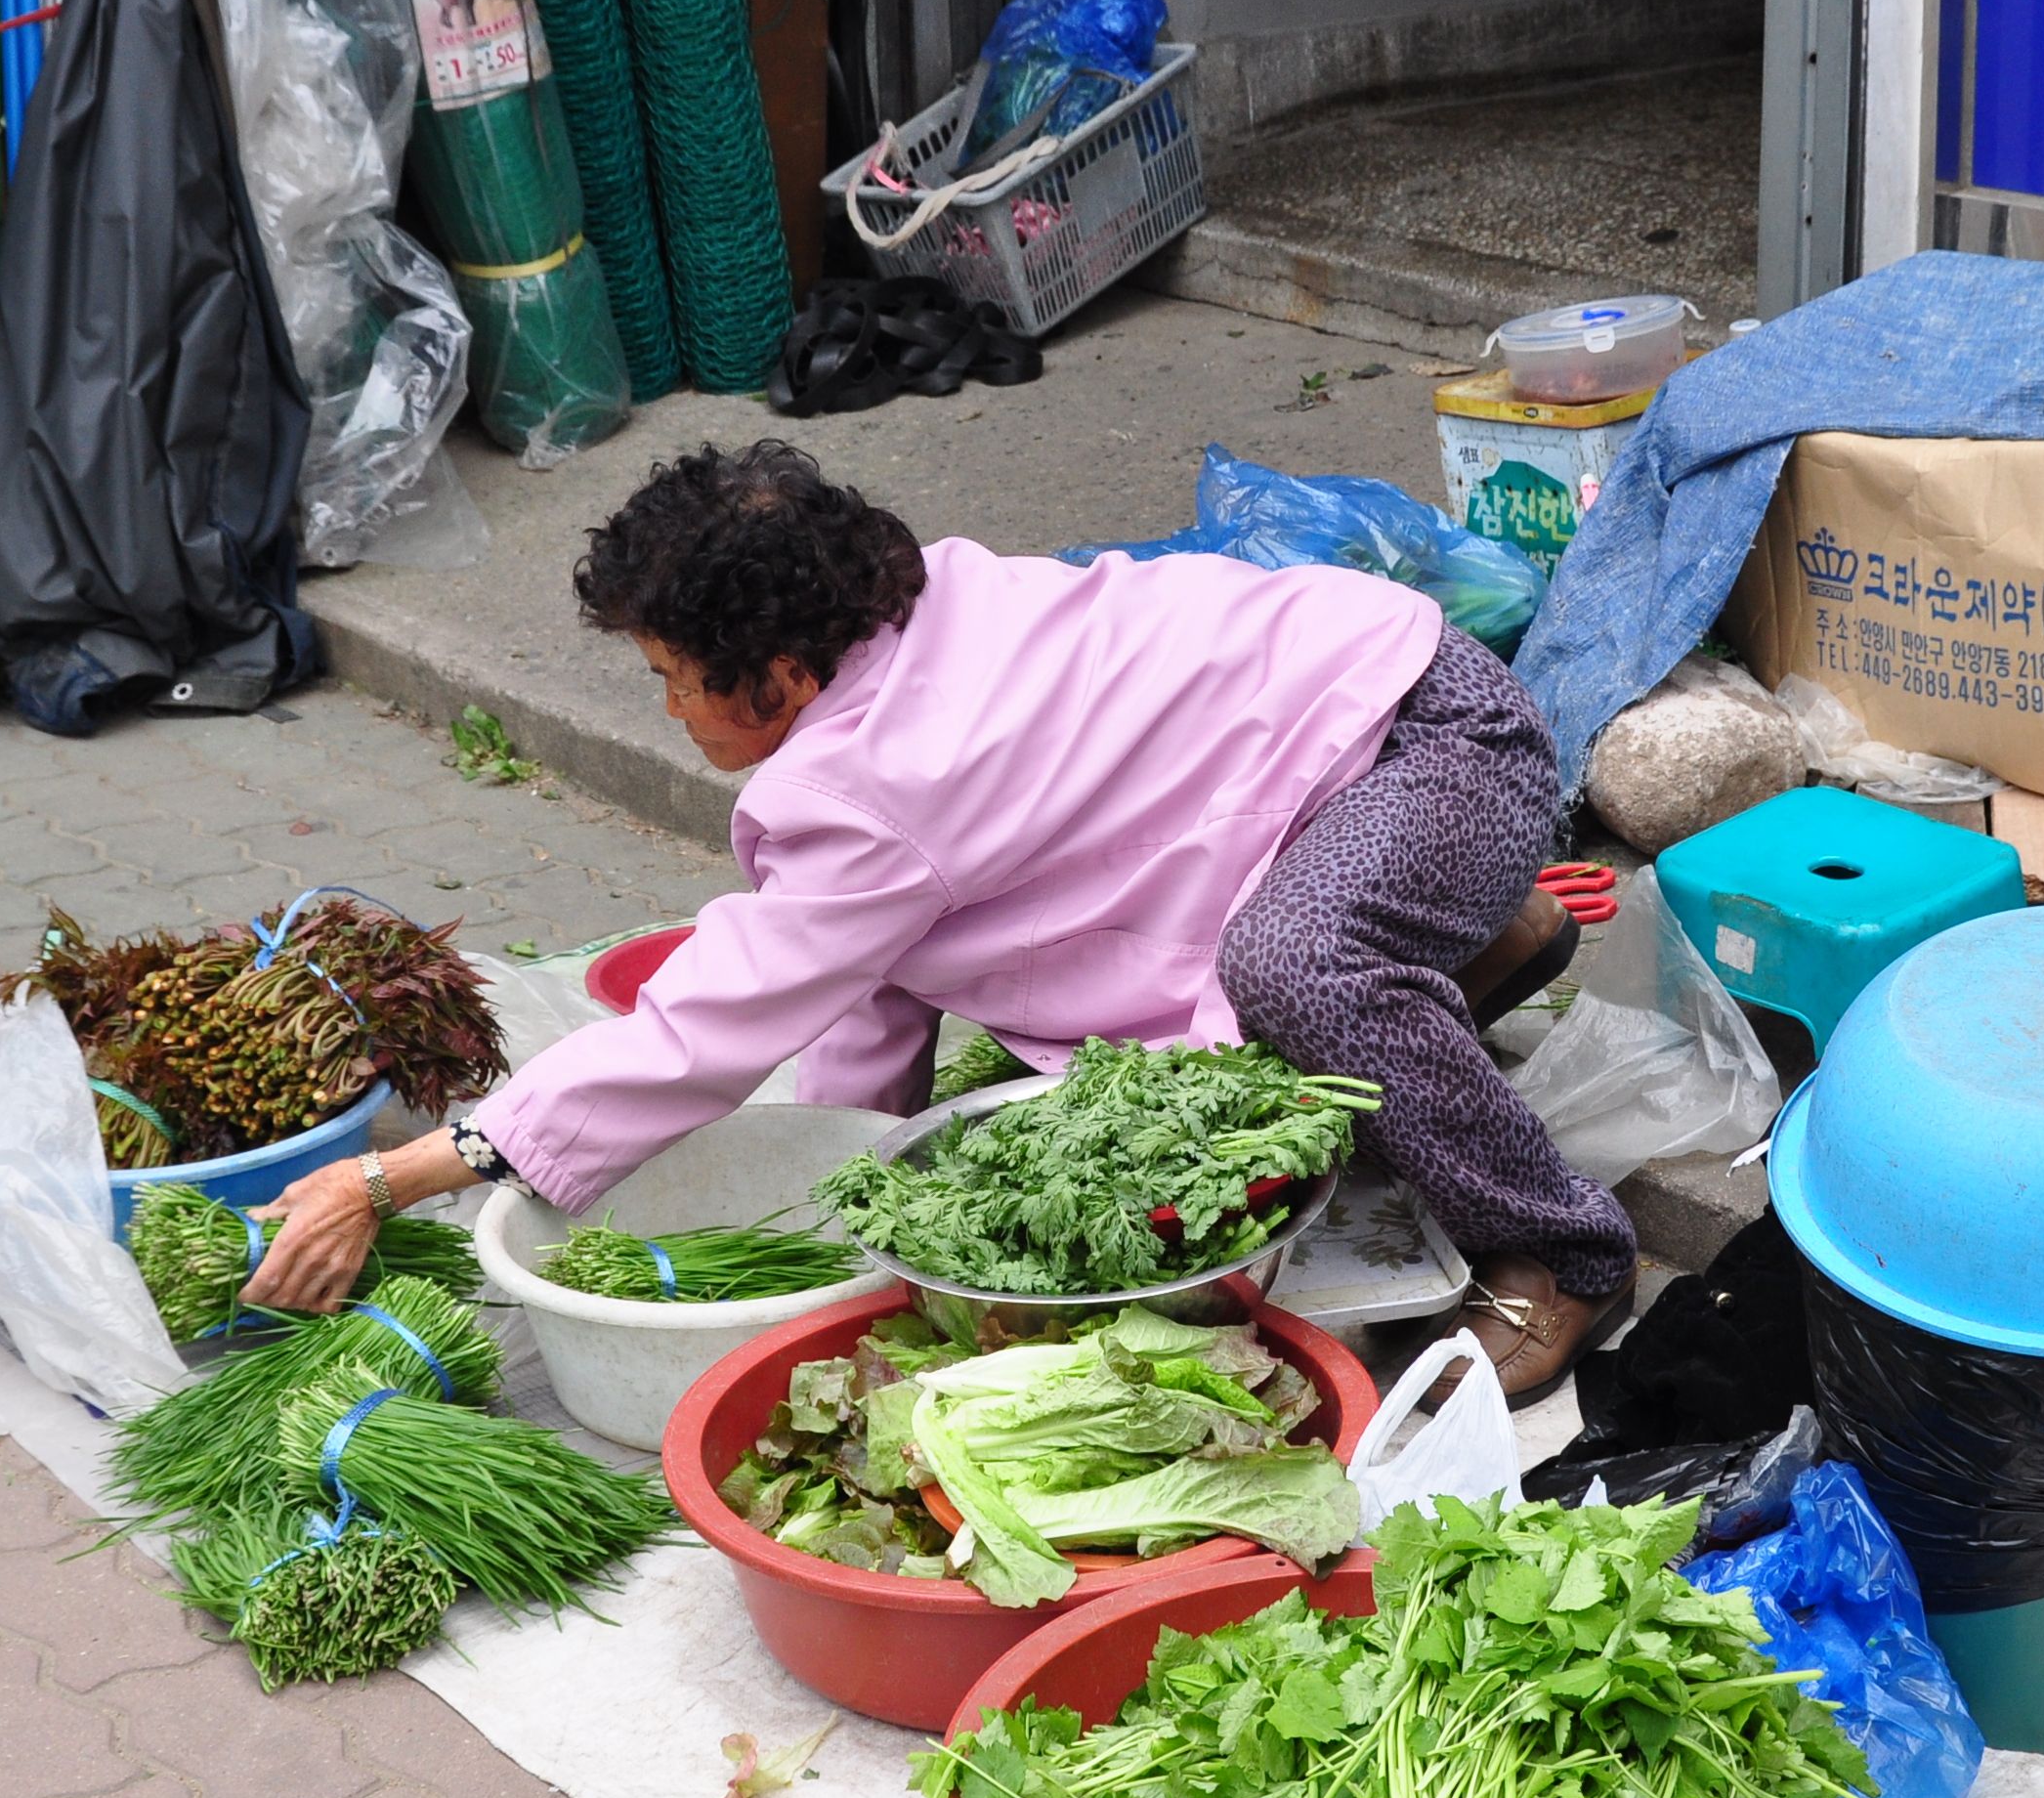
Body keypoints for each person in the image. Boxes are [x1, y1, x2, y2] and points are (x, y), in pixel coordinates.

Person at [251, 443, 1639, 1393]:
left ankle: (1563, 1249)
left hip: (1438, 747)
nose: (668, 710)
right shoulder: (909, 615)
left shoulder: (875, 783)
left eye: (675, 678)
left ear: (784, 674)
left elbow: (699, 1032)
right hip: (1355, 766)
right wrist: (847, 1208)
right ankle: (1472, 938)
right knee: (1250, 1019)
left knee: (1292, 969)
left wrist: (395, 1175)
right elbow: (862, 991)